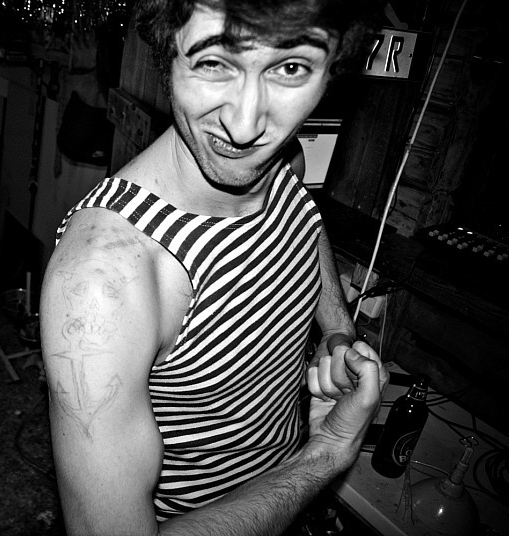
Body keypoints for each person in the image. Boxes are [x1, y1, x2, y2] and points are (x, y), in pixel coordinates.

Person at [39, 0, 390, 533]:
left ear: (332, 70)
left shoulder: (280, 159)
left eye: (290, 68)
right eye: (212, 63)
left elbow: (303, 224)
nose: (244, 126)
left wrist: (337, 331)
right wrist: (325, 455)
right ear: (167, 54)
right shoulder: (102, 281)